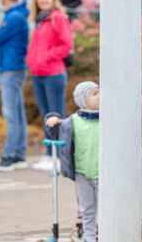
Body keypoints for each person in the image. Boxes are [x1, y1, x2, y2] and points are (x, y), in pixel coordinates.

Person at [26, 0, 73, 171]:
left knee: (56, 114)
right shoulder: (39, 20)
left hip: (53, 73)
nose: (43, 0)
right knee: (46, 115)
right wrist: (32, 59)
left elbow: (66, 44)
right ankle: (48, 154)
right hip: (38, 74)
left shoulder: (58, 18)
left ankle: (60, 156)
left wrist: (48, 57)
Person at [44, 81, 99, 242]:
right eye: (94, 94)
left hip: (104, 174)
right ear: (84, 101)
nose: (100, 96)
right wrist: (52, 119)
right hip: (82, 174)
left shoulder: (107, 119)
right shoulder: (74, 121)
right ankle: (90, 238)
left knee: (106, 208)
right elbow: (56, 131)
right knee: (87, 210)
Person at [0, 0, 30, 172]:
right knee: (17, 111)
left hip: (10, 69)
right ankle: (19, 153)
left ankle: (9, 155)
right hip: (13, 68)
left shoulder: (13, 17)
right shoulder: (16, 15)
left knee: (11, 113)